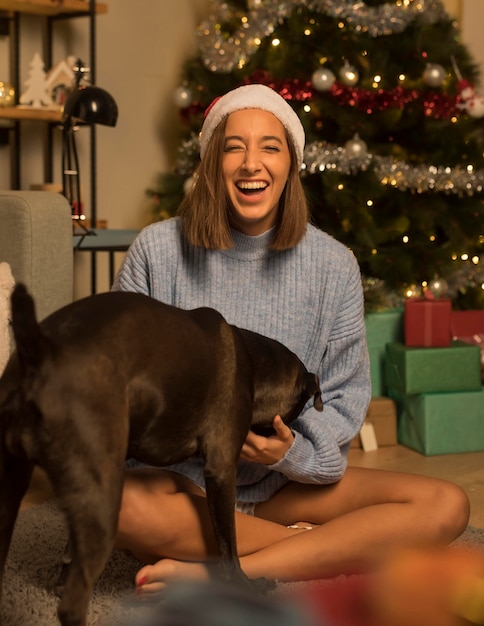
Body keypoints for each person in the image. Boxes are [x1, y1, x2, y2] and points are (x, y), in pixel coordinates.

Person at [111, 84, 470, 596]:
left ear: (291, 165)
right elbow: (119, 390)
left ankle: (229, 568)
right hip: (179, 486)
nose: (250, 163)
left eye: (269, 147)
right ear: (214, 162)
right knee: (115, 505)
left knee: (446, 505)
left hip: (284, 485)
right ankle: (315, 550)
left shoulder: (333, 265)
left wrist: (288, 453)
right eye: (234, 146)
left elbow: (344, 399)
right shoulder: (157, 251)